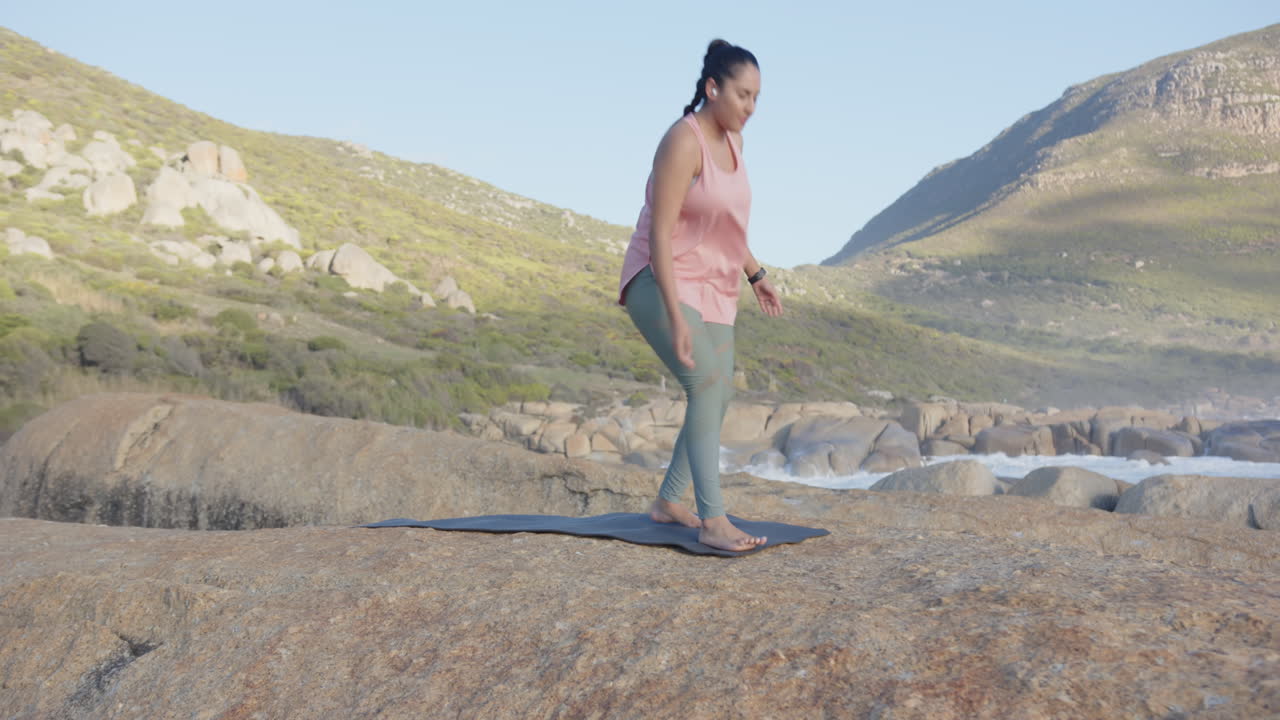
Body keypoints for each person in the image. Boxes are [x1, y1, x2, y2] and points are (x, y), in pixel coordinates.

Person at [617, 39, 783, 552]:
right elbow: (662, 235)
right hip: (656, 276)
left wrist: (755, 275)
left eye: (757, 97)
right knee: (706, 385)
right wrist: (674, 312)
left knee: (719, 393)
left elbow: (724, 225)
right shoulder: (681, 142)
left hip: (714, 282)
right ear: (713, 88)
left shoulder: (734, 143)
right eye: (742, 95)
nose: (750, 107)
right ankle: (713, 520)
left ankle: (669, 501)